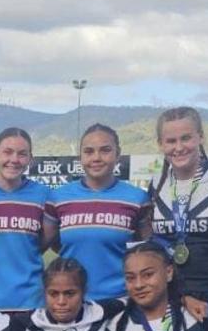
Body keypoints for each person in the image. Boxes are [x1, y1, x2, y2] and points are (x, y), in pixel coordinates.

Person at [147, 107, 208, 319]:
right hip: (172, 297)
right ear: (160, 144)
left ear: (200, 137)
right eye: (171, 141)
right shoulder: (156, 184)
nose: (179, 147)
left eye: (186, 138)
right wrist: (178, 295)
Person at [49, 124, 151, 300]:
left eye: (105, 150)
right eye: (89, 151)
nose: (96, 158)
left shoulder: (137, 198)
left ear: (117, 154)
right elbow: (53, 243)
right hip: (72, 304)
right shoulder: (58, 197)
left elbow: (145, 248)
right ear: (80, 157)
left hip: (121, 302)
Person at [0, 127, 57, 312]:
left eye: (22, 154)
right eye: (7, 152)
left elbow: (45, 241)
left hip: (31, 304)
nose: (14, 160)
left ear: (30, 159)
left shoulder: (44, 196)